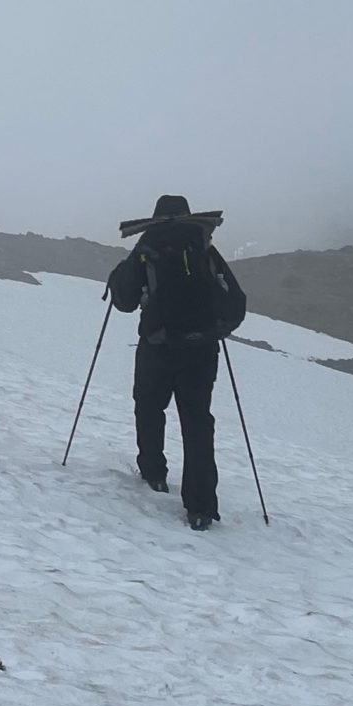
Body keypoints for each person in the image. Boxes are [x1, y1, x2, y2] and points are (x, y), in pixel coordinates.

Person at [106, 195, 248, 529]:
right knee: (197, 422)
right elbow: (234, 303)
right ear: (188, 214)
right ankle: (200, 508)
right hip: (201, 349)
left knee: (149, 405)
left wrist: (118, 276)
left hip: (157, 344)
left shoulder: (147, 245)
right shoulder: (204, 247)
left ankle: (153, 471)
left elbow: (125, 302)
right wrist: (213, 330)